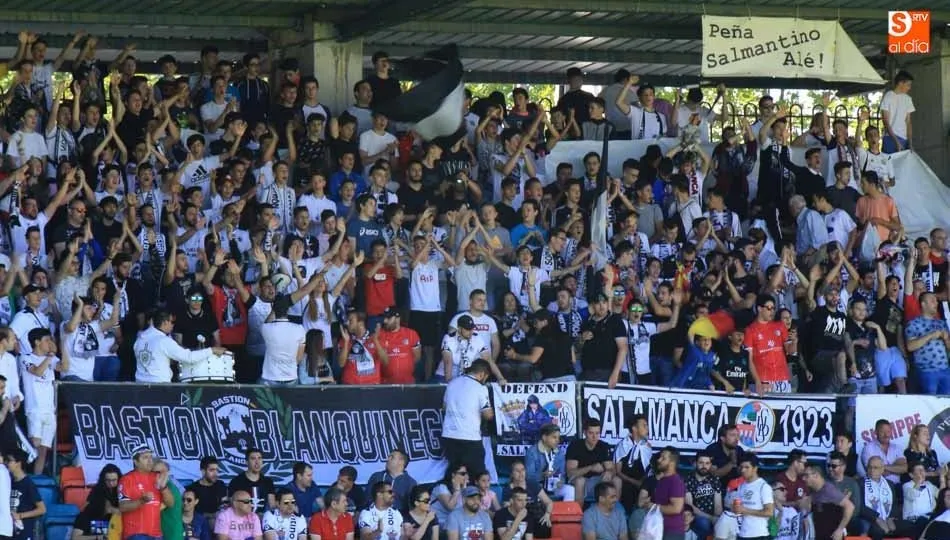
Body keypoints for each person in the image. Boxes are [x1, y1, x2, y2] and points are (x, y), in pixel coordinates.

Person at [133, 309, 228, 383]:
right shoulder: (164, 341)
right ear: (165, 322)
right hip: (159, 387)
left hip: (140, 385)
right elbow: (189, 357)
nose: (173, 325)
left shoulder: (140, 339)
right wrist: (212, 350)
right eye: (172, 322)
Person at [442, 359, 493, 477]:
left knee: (455, 475)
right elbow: (487, 415)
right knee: (477, 475)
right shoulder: (481, 388)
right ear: (482, 374)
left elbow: (444, 407)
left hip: (449, 436)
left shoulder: (452, 383)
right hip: (469, 438)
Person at [118, 444, 174, 540]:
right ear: (136, 462)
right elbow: (122, 507)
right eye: (145, 458)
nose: (150, 461)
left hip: (157, 535)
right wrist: (142, 501)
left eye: (150, 457)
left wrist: (163, 488)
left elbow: (171, 503)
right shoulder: (127, 479)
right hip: (136, 534)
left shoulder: (156, 477)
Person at [613, 415, 652, 512]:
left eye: (647, 425)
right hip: (626, 483)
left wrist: (642, 482)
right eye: (644, 425)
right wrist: (635, 482)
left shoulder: (646, 446)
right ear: (634, 428)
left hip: (642, 484)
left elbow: (649, 470)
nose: (647, 428)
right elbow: (617, 472)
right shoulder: (623, 445)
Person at [803, 464, 853, 540]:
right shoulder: (813, 491)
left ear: (816, 475)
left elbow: (850, 507)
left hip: (831, 536)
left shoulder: (829, 490)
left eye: (806, 475)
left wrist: (840, 530)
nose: (803, 478)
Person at [524, 424, 571, 501]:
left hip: (554, 487)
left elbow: (562, 474)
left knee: (570, 490)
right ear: (544, 437)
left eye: (558, 438)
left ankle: (565, 513)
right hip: (537, 487)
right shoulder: (532, 452)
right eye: (554, 437)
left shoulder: (559, 453)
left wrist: (561, 481)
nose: (557, 440)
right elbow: (529, 477)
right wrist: (542, 475)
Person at [6, 448, 45, 540]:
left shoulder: (28, 483)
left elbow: (42, 509)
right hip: (10, 531)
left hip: (24, 531)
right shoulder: (9, 481)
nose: (7, 464)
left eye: (10, 461)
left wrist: (20, 515)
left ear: (18, 463)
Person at [733, 454, 773, 540]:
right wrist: (735, 508)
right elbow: (738, 508)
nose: (743, 470)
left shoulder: (763, 486)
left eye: (747, 467)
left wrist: (745, 510)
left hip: (759, 534)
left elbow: (769, 512)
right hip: (742, 534)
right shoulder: (741, 486)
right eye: (742, 467)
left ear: (755, 468)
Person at [228, 448, 276, 516]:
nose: (257, 462)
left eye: (259, 458)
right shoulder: (236, 482)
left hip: (262, 519)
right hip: (243, 520)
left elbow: (272, 506)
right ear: (246, 462)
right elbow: (233, 506)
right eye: (253, 458)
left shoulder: (268, 482)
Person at [683, 451, 720, 539]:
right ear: (695, 463)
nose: (704, 466)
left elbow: (718, 505)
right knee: (704, 522)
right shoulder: (688, 480)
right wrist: (711, 518)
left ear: (710, 465)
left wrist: (718, 519)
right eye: (701, 463)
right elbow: (690, 506)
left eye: (707, 463)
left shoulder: (714, 480)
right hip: (696, 516)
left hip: (712, 515)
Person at [858, 419, 907, 484]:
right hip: (875, 486)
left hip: (896, 487)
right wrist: (896, 467)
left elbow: (905, 468)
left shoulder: (897, 448)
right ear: (876, 432)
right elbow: (872, 472)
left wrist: (882, 467)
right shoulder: (868, 448)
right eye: (882, 432)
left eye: (888, 432)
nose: (886, 435)